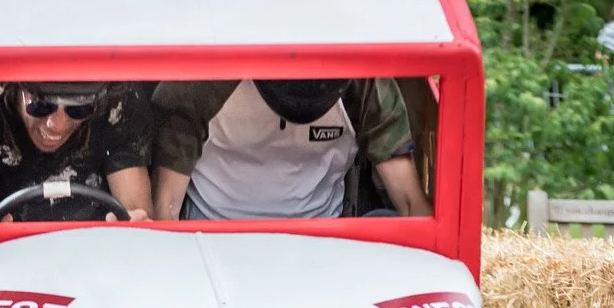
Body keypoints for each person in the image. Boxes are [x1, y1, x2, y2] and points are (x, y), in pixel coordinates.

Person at [150, 79, 431, 221]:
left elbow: (410, 202)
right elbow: (166, 208)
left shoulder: (365, 82)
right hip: (215, 232)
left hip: (324, 236)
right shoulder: (198, 84)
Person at [0, 81, 153, 223]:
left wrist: (136, 225)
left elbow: (135, 214)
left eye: (78, 109)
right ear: (12, 87)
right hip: (1, 257)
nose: (57, 126)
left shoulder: (118, 100)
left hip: (93, 255)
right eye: (41, 106)